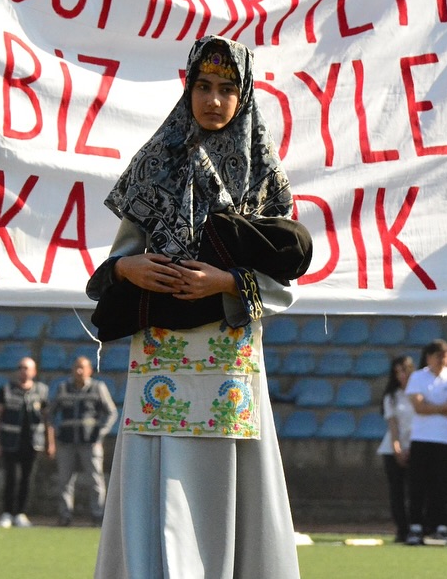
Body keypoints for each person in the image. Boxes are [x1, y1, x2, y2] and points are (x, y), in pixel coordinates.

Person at [87, 35, 312, 579]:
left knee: (229, 494)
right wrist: (126, 269)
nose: (214, 100)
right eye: (203, 86)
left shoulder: (264, 178)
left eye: (227, 88)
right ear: (188, 88)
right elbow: (114, 267)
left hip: (229, 362)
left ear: (245, 94)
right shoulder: (153, 166)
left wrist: (226, 281)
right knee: (154, 491)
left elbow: (287, 282)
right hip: (159, 359)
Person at [404, 339, 447, 545]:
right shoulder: (418, 377)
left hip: (443, 439)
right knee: (418, 484)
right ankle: (416, 526)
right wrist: (441, 408)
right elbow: (418, 407)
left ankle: (440, 525)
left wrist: (432, 406)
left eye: (445, 355)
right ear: (428, 357)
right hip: (421, 437)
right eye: (438, 355)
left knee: (442, 484)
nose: (442, 360)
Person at [51, 356, 117, 527]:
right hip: (66, 441)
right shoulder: (63, 388)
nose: (79, 371)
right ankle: (65, 516)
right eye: (76, 368)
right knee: (65, 480)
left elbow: (112, 413)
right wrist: (56, 431)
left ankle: (98, 516)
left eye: (82, 368)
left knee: (95, 480)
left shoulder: (98, 387)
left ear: (90, 370)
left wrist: (100, 433)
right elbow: (51, 413)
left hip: (90, 442)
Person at [0, 356, 52, 528]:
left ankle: (20, 513)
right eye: (20, 367)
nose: (23, 371)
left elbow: (48, 419)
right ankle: (6, 513)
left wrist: (50, 443)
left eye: (26, 368)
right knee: (10, 478)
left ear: (34, 371)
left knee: (26, 478)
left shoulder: (42, 391)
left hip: (33, 442)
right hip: (10, 441)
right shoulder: (6, 390)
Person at [377, 354, 415, 543]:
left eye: (405, 371)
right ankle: (402, 529)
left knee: (416, 491)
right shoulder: (392, 397)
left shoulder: (419, 393)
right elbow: (393, 426)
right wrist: (397, 448)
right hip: (394, 448)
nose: (402, 375)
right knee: (397, 491)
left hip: (416, 446)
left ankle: (417, 527)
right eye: (398, 372)